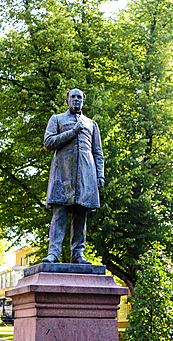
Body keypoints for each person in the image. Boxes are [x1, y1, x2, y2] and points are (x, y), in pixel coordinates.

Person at [42, 88, 104, 264]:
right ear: (67, 100)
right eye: (73, 97)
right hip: (62, 174)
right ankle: (53, 253)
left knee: (80, 216)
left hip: (86, 176)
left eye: (79, 97)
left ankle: (78, 254)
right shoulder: (57, 119)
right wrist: (73, 132)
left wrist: (100, 175)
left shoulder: (91, 124)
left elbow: (97, 152)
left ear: (83, 100)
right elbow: (49, 142)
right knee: (59, 215)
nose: (76, 100)